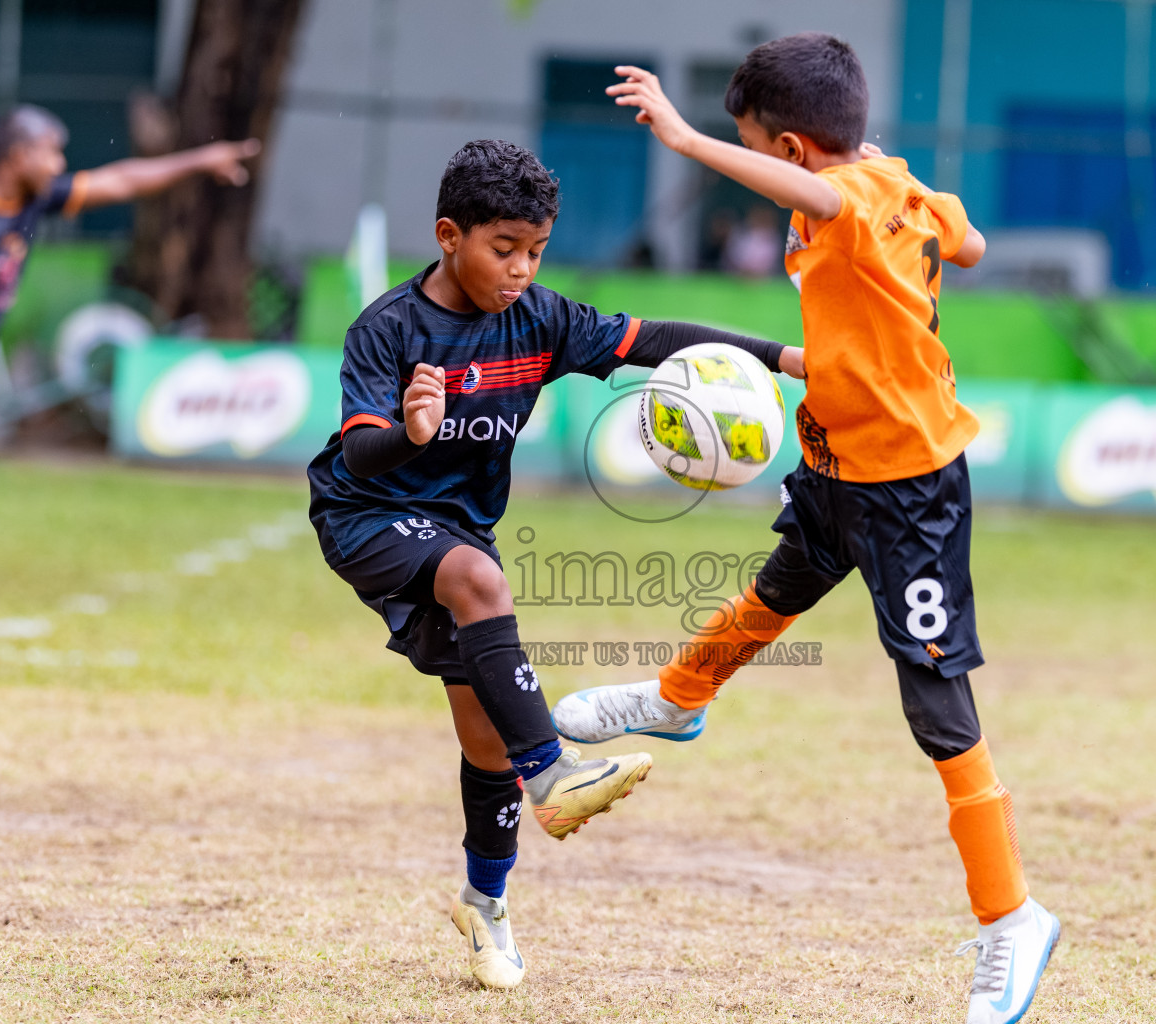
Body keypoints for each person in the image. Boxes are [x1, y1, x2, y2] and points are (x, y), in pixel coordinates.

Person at [551, 34, 1059, 1024]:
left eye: (757, 154)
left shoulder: (853, 197)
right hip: (838, 455)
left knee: (938, 707)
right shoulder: (899, 184)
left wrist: (690, 141)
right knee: (779, 586)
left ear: (789, 147)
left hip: (907, 487)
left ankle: (1012, 917)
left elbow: (835, 202)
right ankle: (674, 698)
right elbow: (972, 244)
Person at [305, 138, 804, 991]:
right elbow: (357, 458)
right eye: (504, 250)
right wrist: (410, 432)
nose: (522, 270)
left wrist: (784, 359)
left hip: (458, 531)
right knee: (480, 582)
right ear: (448, 234)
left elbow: (656, 340)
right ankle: (557, 776)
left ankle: (484, 902)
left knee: (484, 737)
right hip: (368, 516)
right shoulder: (388, 329)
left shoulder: (540, 321)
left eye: (535, 252)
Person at [0, 105, 259, 645]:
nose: (59, 162)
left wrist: (198, 161)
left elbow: (120, 181)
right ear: (19, 154)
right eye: (51, 150)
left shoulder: (30, 196)